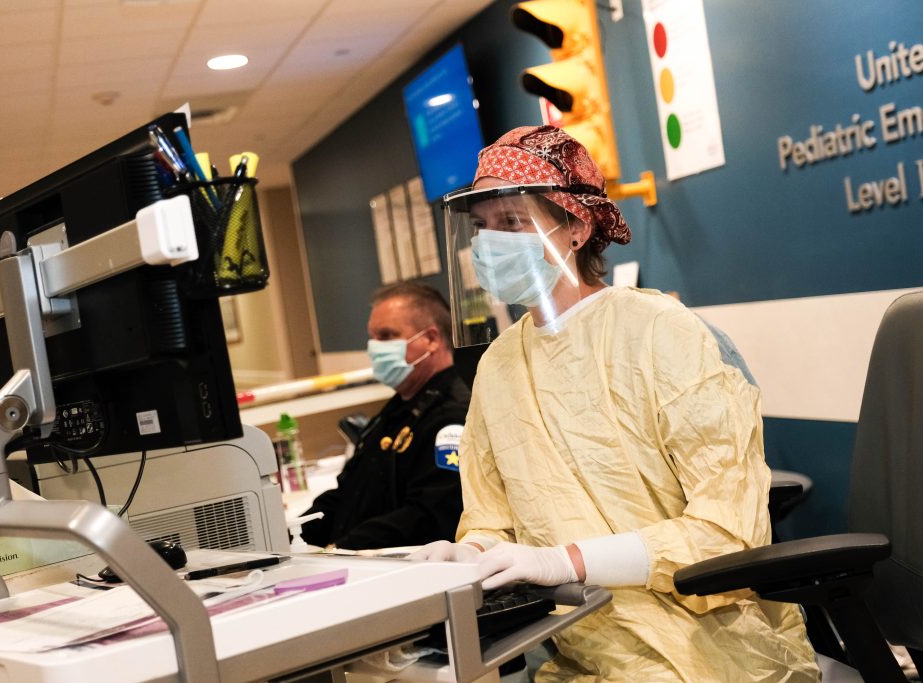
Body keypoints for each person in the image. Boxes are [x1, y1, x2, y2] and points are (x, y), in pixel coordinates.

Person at [412, 126, 819, 680]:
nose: (490, 244)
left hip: (702, 652)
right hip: (571, 649)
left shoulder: (661, 333)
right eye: (482, 227)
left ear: (577, 226)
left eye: (512, 222)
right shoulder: (499, 363)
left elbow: (728, 532)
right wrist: (475, 550)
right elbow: (494, 513)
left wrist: (564, 561)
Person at [300, 283, 470, 551]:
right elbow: (348, 493)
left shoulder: (452, 417)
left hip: (407, 571)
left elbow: (430, 515)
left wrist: (341, 549)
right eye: (373, 338)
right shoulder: (397, 409)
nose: (374, 348)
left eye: (387, 336)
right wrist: (295, 534)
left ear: (432, 339)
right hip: (360, 562)